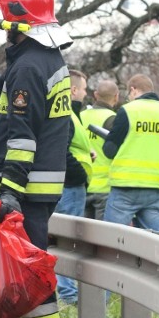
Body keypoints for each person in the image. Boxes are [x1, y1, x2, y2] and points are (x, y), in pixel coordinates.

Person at [0, 0, 73, 318]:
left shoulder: (29, 67)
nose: (1, 27)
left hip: (28, 189)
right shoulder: (45, 60)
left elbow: (22, 138)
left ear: (19, 21)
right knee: (14, 271)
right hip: (36, 186)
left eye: (4, 18)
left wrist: (10, 191)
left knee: (28, 271)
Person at [102, 74, 159, 232]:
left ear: (133, 90)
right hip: (156, 189)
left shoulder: (128, 110)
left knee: (112, 239)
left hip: (126, 187)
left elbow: (109, 150)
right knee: (152, 245)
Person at [55, 69, 92, 305]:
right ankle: (68, 295)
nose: (87, 93)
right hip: (70, 187)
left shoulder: (69, 114)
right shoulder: (68, 115)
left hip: (68, 186)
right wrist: (79, 174)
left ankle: (66, 292)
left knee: (62, 241)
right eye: (85, 89)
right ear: (74, 90)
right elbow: (62, 152)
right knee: (68, 243)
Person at [81, 79, 119, 221]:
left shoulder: (81, 115)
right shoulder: (114, 119)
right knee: (102, 237)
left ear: (96, 95)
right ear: (116, 96)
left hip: (84, 184)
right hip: (104, 188)